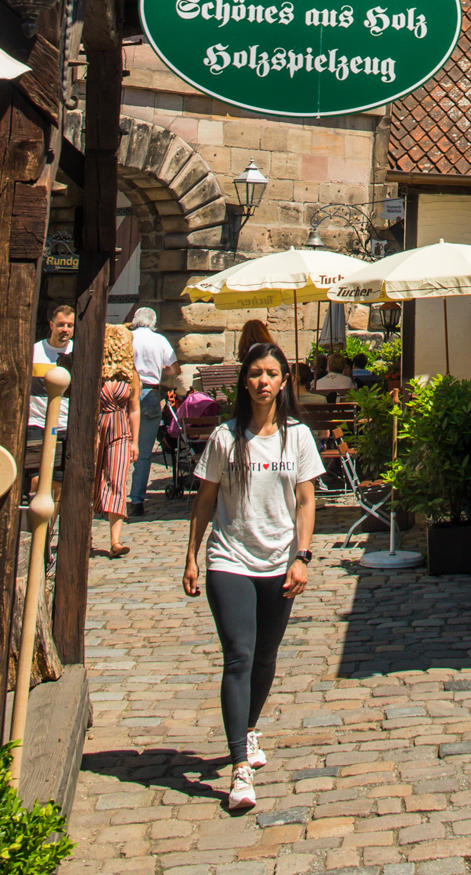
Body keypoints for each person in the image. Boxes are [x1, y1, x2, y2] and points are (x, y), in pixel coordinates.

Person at [183, 341, 323, 814]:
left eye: (272, 373)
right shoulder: (225, 438)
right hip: (230, 559)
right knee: (239, 655)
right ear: (245, 380)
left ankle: (248, 727)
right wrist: (191, 555)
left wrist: (302, 556)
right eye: (256, 373)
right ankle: (240, 767)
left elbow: (306, 501)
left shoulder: (298, 437)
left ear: (285, 382)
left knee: (266, 656)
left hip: (279, 561)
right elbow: (205, 500)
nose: (264, 381)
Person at [127, 307, 178, 518]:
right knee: (144, 453)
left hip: (128, 390)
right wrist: (162, 369)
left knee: (121, 447)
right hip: (150, 392)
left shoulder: (128, 337)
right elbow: (175, 368)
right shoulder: (160, 340)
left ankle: (116, 499)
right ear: (153, 321)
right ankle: (137, 500)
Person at [96, 323, 141, 557]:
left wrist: (134, 441)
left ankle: (115, 541)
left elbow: (134, 409)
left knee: (117, 481)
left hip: (120, 432)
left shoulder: (130, 374)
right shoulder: (95, 370)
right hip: (96, 429)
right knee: (91, 481)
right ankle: (85, 536)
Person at [27, 304, 75, 491]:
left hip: (64, 425)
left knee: (57, 483)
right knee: (35, 479)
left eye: (69, 325)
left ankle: (50, 521)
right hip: (37, 423)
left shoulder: (78, 353)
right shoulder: (35, 351)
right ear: (51, 325)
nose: (65, 329)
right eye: (61, 324)